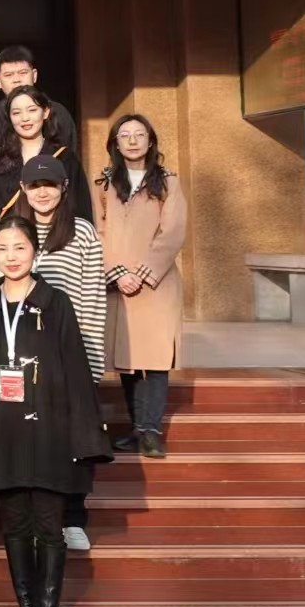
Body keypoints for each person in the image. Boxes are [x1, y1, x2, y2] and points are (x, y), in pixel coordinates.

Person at [0, 216, 110, 607]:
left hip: (50, 432)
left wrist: (82, 436)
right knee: (16, 527)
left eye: (20, 247)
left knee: (48, 528)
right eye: (3, 248)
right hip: (3, 432)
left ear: (34, 252)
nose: (12, 256)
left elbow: (76, 369)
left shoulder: (55, 302)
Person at [15, 155, 109, 551]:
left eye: (50, 185)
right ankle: (34, 519)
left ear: (64, 187)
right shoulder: (14, 230)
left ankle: (73, 518)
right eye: (35, 186)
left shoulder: (82, 232)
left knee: (71, 440)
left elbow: (93, 296)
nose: (42, 193)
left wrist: (90, 361)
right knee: (29, 438)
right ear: (23, 189)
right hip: (23, 353)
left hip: (70, 352)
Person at [96, 114, 190, 462]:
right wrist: (117, 272)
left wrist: (144, 271)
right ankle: (136, 429)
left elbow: (173, 231)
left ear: (151, 141)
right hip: (118, 284)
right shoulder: (103, 184)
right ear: (115, 143)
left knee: (155, 358)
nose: (133, 140)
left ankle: (151, 431)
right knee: (129, 357)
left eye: (139, 134)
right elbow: (97, 232)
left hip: (156, 284)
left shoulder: (168, 182)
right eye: (125, 135)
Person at [0, 86, 93, 220]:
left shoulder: (64, 157)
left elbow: (80, 207)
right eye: (16, 113)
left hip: (57, 231)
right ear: (9, 117)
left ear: (45, 112)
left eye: (32, 110)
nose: (25, 118)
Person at [0, 45, 78, 149]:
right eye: (8, 75)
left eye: (23, 73)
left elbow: (67, 154)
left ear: (34, 75)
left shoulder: (58, 112)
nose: (16, 80)